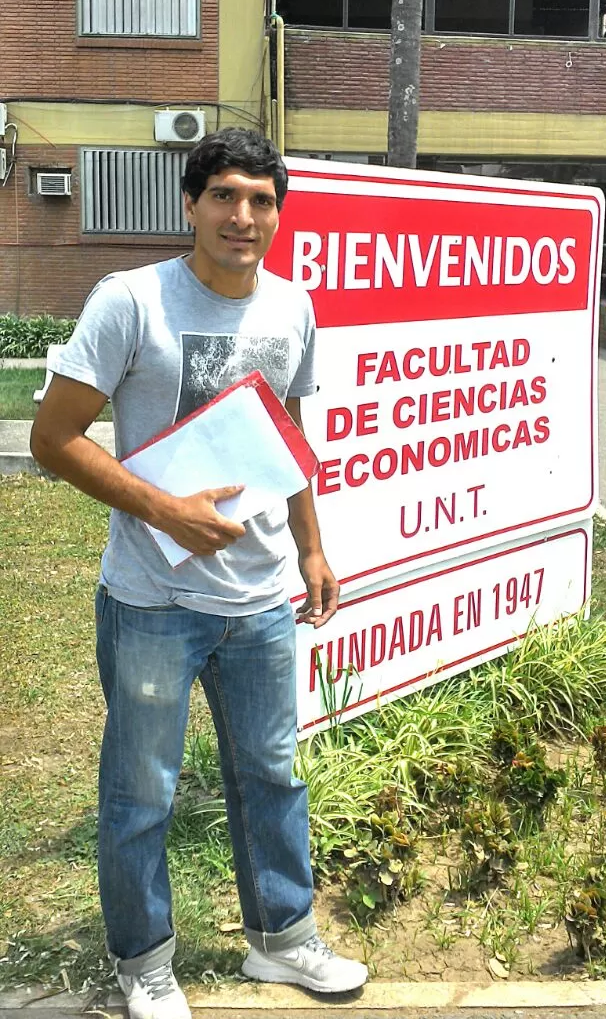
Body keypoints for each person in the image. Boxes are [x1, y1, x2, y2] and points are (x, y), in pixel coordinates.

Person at [30, 128, 368, 1018]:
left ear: (277, 214)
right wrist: (162, 510)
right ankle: (143, 959)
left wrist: (312, 547)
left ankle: (281, 941)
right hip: (152, 598)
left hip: (257, 603)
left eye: (261, 200)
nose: (242, 215)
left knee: (272, 776)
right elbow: (51, 439)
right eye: (223, 195)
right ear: (190, 204)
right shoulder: (131, 301)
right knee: (142, 792)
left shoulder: (292, 309)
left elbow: (289, 436)